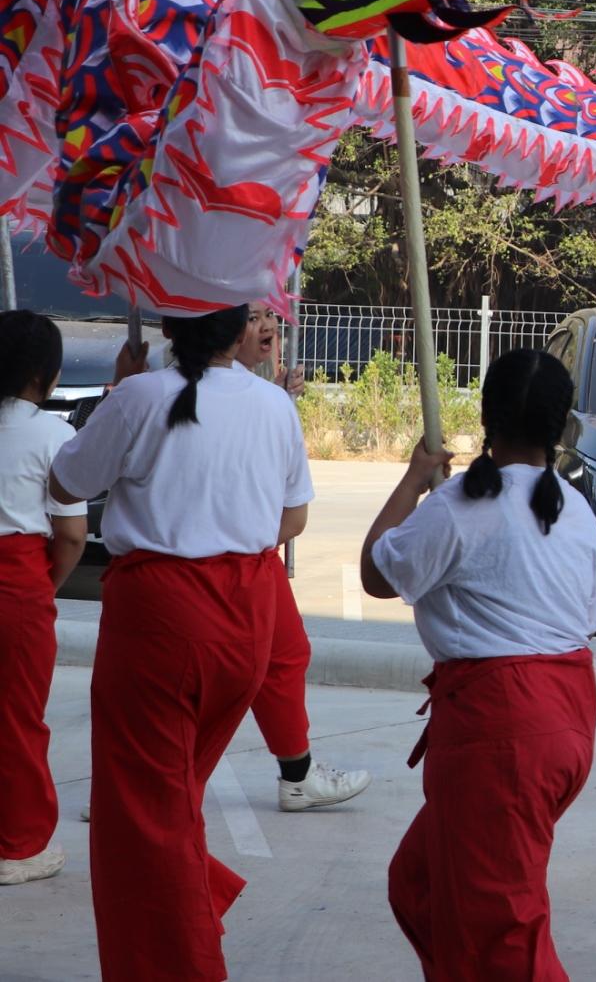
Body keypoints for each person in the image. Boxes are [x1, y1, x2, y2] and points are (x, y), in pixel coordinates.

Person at [49, 305, 313, 981]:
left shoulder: (140, 394)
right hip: (245, 619)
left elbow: (67, 480)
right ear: (238, 333)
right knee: (171, 801)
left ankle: (183, 960)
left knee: (142, 815)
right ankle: (189, 924)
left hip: (162, 622)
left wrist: (118, 391)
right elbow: (294, 515)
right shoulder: (274, 404)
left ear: (168, 328)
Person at [360, 347, 596, 982]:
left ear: (487, 416)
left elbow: (375, 572)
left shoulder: (457, 507)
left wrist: (415, 481)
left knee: (505, 928)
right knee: (421, 884)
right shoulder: (576, 511)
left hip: (503, 731)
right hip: (564, 721)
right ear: (562, 428)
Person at [227, 302, 371, 811]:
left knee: (284, 658)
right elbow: (293, 516)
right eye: (252, 317)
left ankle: (297, 773)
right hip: (231, 562)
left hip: (255, 559)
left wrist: (278, 397)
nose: (268, 326)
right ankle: (133, 783)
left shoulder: (265, 399)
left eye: (270, 314)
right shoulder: (165, 394)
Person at [0, 312, 87, 886]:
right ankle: (20, 845)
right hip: (19, 582)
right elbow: (73, 534)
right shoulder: (53, 434)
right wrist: (44, 585)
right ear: (46, 376)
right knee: (17, 719)